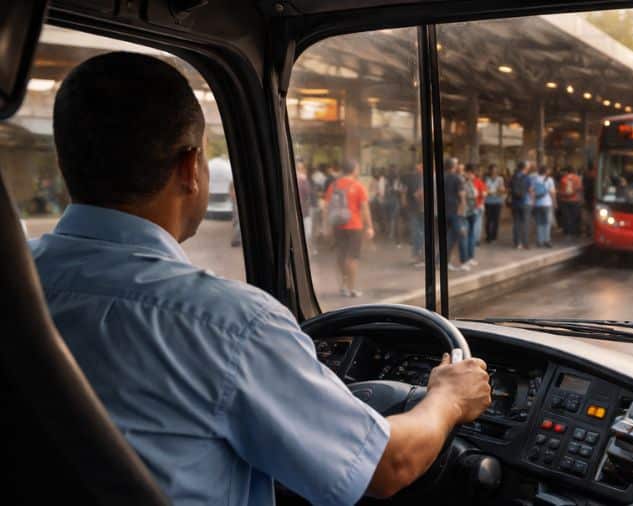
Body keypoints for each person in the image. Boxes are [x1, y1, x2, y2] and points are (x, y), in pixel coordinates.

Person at [29, 52, 491, 506]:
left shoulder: (20, 284)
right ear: (190, 168)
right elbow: (386, 467)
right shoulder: (229, 323)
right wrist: (448, 398)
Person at [325, 160, 375, 297]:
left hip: (337, 225)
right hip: (354, 225)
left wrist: (327, 226)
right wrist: (369, 227)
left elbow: (327, 207)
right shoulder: (358, 186)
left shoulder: (333, 185)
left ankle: (342, 285)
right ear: (354, 170)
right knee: (352, 257)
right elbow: (365, 209)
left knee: (341, 254)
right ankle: (351, 288)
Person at [443, 157, 469, 271]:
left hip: (444, 211)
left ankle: (445, 261)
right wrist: (462, 211)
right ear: (453, 166)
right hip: (455, 211)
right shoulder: (458, 179)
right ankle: (463, 262)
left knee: (450, 237)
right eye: (457, 164)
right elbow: (462, 196)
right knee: (462, 234)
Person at [462, 164, 484, 268]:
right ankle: (466, 259)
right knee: (466, 236)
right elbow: (471, 195)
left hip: (472, 211)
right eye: (470, 173)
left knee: (471, 236)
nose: (472, 175)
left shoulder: (470, 182)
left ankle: (470, 257)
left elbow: (475, 195)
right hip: (465, 212)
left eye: (472, 173)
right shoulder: (463, 182)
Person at [403, 163, 425, 266]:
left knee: (416, 232)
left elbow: (403, 191)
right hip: (419, 209)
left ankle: (416, 256)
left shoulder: (409, 178)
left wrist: (405, 203)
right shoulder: (420, 178)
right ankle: (418, 257)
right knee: (419, 232)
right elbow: (419, 194)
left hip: (413, 209)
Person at [531, 166, 556, 248]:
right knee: (547, 223)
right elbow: (552, 192)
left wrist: (533, 202)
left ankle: (540, 241)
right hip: (547, 203)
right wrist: (554, 202)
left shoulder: (534, 179)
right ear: (546, 172)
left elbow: (532, 191)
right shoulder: (549, 179)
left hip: (537, 204)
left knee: (539, 223)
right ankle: (547, 240)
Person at [510, 161, 533, 249]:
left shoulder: (513, 177)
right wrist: (533, 200)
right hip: (525, 202)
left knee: (516, 223)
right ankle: (525, 243)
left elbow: (510, 188)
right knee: (526, 223)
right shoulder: (527, 177)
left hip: (515, 203)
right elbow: (530, 190)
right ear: (525, 168)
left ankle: (517, 243)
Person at [296, 160, 317, 254]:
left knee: (307, 233)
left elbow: (309, 193)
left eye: (302, 169)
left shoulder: (305, 181)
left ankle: (306, 250)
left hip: (305, 211)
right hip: (297, 212)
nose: (300, 171)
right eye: (298, 169)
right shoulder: (297, 181)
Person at [558, 166, 583, 240]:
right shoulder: (577, 178)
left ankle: (568, 233)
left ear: (567, 171)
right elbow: (579, 188)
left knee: (566, 217)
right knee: (574, 217)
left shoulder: (563, 178)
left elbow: (560, 190)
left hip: (565, 200)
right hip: (575, 200)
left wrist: (562, 194)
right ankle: (575, 232)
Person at [483, 164, 505, 243]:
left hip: (497, 201)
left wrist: (497, 190)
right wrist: (492, 191)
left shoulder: (500, 179)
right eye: (492, 170)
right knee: (488, 220)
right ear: (490, 171)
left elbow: (502, 189)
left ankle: (494, 236)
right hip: (488, 202)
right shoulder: (486, 179)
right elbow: (485, 189)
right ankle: (488, 236)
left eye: (495, 170)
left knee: (496, 220)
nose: (494, 172)